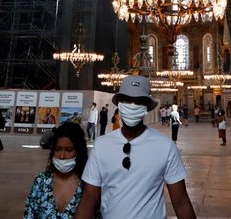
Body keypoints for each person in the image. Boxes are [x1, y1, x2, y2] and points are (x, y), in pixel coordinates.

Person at [75, 75, 196, 219]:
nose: (132, 105)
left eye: (138, 101)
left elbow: (181, 202)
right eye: (127, 100)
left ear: (146, 107)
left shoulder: (165, 146)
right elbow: (88, 200)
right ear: (119, 104)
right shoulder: (101, 145)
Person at [23, 121, 90, 219]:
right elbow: (29, 214)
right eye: (57, 149)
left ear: (79, 151)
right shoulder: (41, 181)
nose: (62, 156)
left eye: (69, 150)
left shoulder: (87, 186)